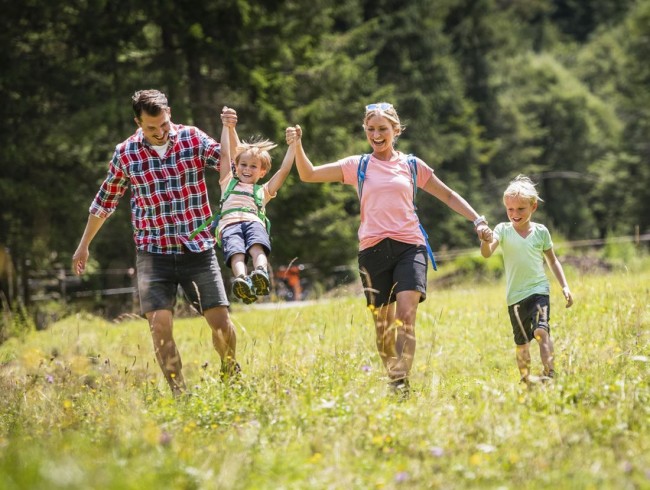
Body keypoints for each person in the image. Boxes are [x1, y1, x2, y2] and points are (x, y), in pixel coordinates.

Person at [288, 102, 493, 399]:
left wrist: (477, 219)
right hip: (371, 251)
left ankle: (401, 383)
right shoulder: (356, 165)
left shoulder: (411, 165)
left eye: (383, 129)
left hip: (410, 246)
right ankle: (395, 378)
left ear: (396, 131)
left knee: (406, 316)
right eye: (371, 129)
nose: (376, 134)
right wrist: (297, 145)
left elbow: (446, 194)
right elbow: (308, 174)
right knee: (383, 327)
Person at [72, 89, 241, 396]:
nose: (160, 132)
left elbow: (233, 165)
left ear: (169, 113)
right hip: (153, 253)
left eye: (163, 124)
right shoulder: (126, 153)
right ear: (138, 122)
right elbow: (104, 203)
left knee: (220, 322)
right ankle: (180, 394)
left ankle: (231, 370)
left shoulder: (192, 138)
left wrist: (230, 130)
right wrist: (84, 245)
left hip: (197, 248)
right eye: (152, 128)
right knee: (159, 327)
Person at [480, 174, 573, 385]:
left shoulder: (541, 232)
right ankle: (526, 380)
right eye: (510, 209)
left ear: (533, 208)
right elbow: (487, 253)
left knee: (541, 330)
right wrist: (485, 241)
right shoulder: (502, 230)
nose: (515, 214)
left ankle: (550, 375)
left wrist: (565, 286)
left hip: (539, 290)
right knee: (522, 343)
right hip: (515, 297)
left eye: (520, 209)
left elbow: (553, 261)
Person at [214, 114, 297, 304]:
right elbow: (226, 154)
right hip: (229, 225)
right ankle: (241, 279)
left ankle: (260, 272)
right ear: (236, 166)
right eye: (243, 164)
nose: (247, 169)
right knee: (236, 252)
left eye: (253, 166)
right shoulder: (227, 182)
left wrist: (293, 146)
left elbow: (283, 171)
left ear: (262, 172)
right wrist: (227, 127)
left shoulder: (263, 190)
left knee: (256, 246)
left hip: (253, 221)